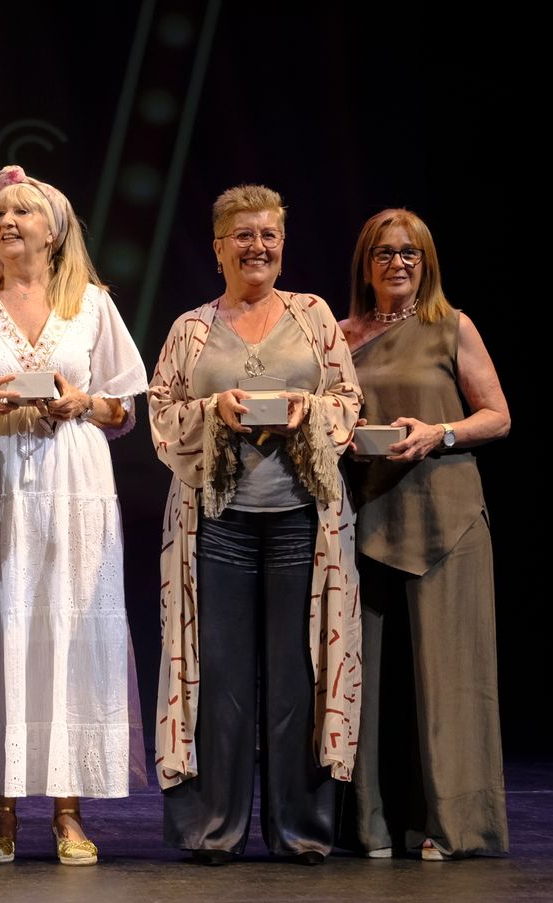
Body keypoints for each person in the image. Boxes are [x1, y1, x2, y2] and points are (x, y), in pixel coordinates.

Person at [148, 184, 361, 865]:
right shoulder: (190, 328)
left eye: (269, 234)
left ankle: (301, 831)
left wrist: (305, 408)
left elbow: (347, 397)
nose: (258, 246)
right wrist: (215, 409)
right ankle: (214, 829)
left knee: (299, 673)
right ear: (218, 248)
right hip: (217, 523)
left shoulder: (313, 315)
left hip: (302, 520)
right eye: (243, 235)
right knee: (221, 680)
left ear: (283, 244)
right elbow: (161, 413)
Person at [0, 165, 147, 866]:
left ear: (55, 231)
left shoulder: (92, 305)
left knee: (70, 629)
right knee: (4, 629)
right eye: (0, 212)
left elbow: (125, 408)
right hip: (0, 484)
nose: (8, 222)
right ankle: (1, 808)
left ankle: (68, 809)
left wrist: (83, 403)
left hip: (75, 484)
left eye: (23, 212)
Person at [339, 208, 511, 861]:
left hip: (446, 518)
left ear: (426, 262)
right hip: (368, 516)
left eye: (409, 253)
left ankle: (452, 825)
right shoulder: (339, 336)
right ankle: (371, 824)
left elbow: (497, 416)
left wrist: (439, 433)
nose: (398, 263)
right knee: (368, 682)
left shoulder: (450, 326)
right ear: (366, 263)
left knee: (451, 679)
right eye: (384, 253)